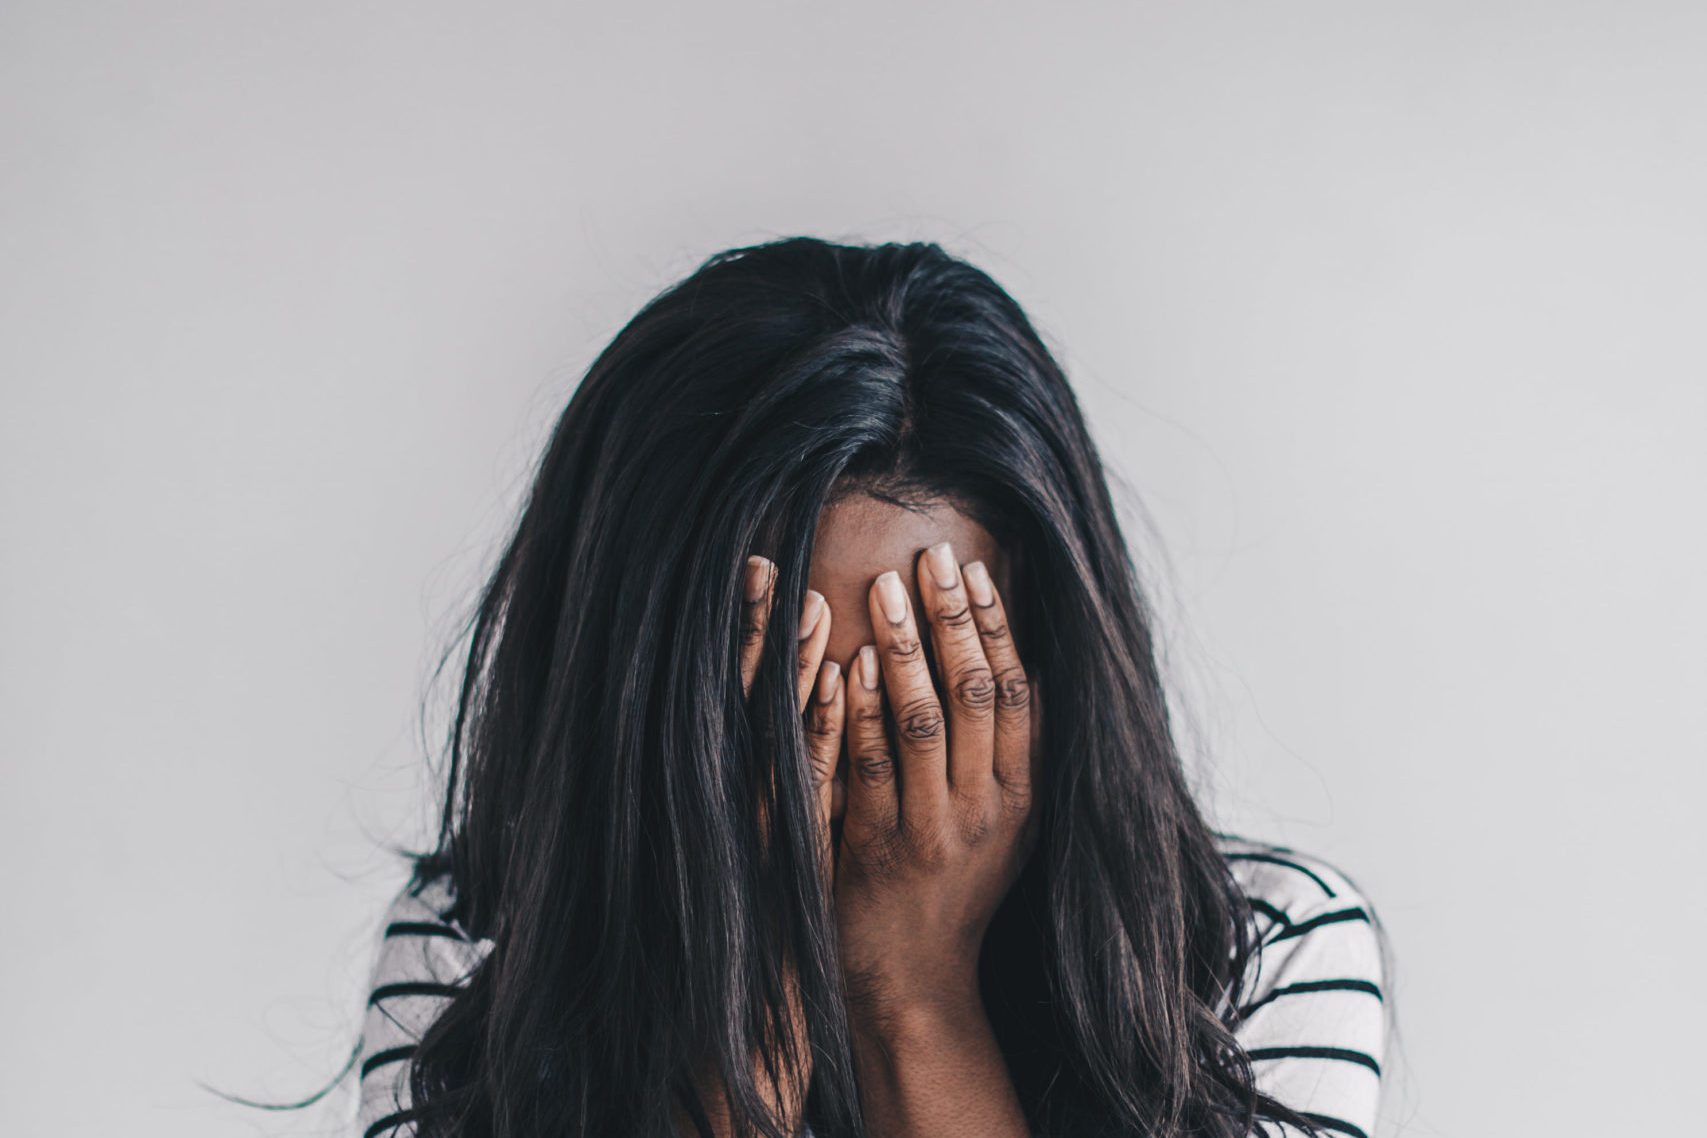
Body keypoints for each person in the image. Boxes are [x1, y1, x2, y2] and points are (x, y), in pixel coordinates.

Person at [351, 238, 1387, 1138]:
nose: (846, 768)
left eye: (916, 696)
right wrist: (745, 994)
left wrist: (912, 993)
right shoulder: (476, 951)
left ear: (1038, 668)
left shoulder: (1260, 951)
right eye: (786, 697)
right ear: (642, 689)